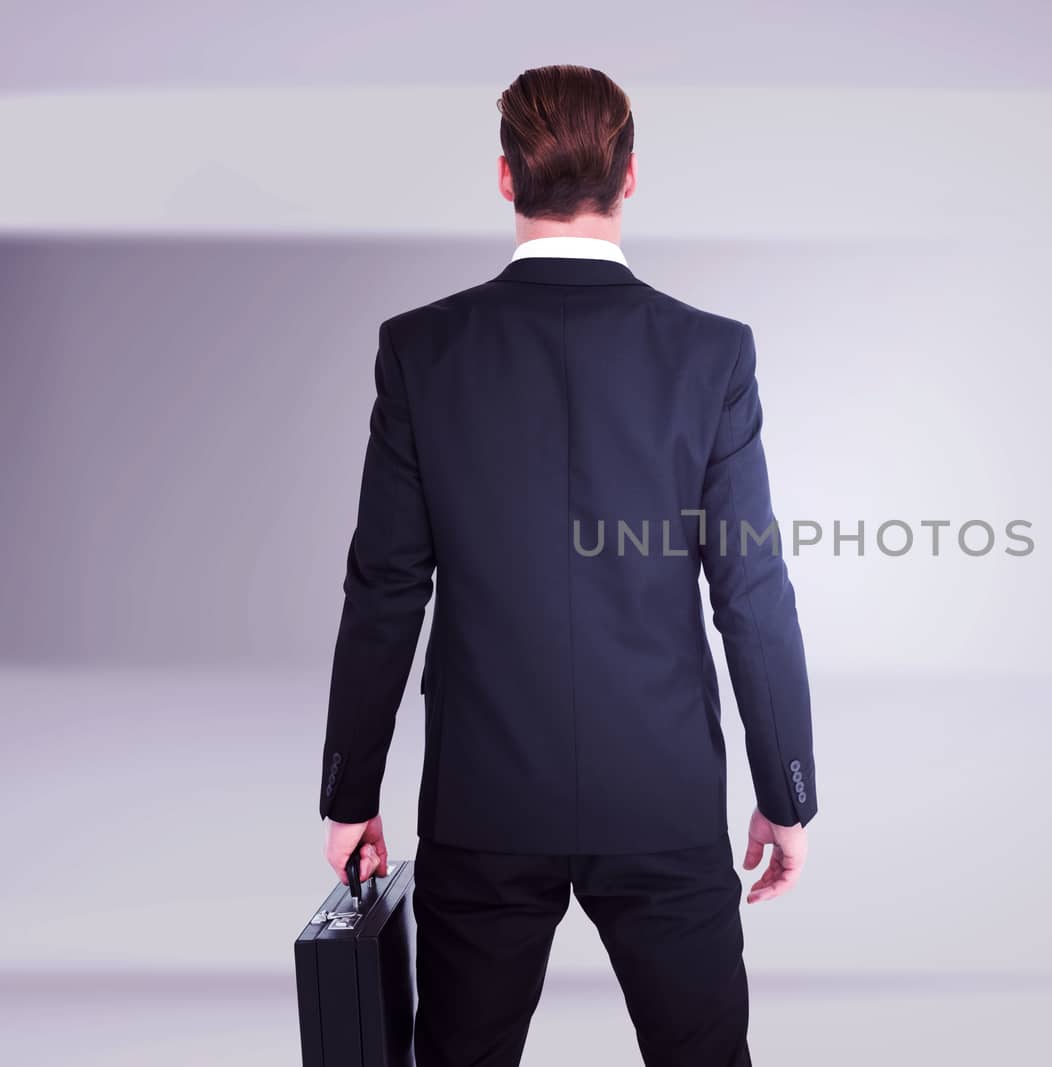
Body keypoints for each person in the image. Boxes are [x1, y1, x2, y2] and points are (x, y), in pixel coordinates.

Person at [315, 63, 817, 1067]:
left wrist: (349, 791)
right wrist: (785, 788)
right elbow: (750, 587)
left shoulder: (421, 350)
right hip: (663, 789)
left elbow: (385, 586)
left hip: (484, 792)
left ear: (505, 180)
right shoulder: (710, 354)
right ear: (629, 178)